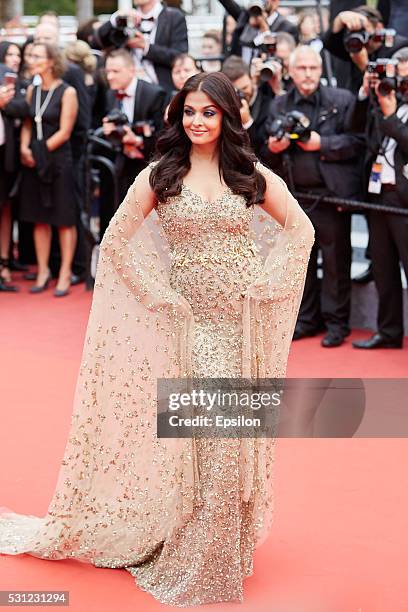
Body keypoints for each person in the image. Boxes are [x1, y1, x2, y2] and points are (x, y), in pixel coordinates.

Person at [0, 72, 314, 606]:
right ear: (177, 116)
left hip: (240, 324)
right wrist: (160, 297)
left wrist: (265, 286)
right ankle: (199, 556)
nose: (197, 121)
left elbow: (300, 230)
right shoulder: (159, 176)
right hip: (189, 326)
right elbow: (117, 244)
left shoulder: (250, 175)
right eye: (189, 111)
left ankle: (221, 549)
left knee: (233, 438)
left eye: (208, 112)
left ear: (227, 118)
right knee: (207, 439)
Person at [260, 46, 364, 348]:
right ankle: (305, 320)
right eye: (302, 68)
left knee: (335, 264)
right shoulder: (279, 104)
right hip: (294, 199)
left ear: (321, 70)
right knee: (299, 264)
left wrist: (322, 143)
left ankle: (336, 324)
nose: (308, 74)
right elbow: (266, 153)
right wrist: (274, 148)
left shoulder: (341, 100)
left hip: (331, 197)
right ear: (290, 72)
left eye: (313, 68)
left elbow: (357, 143)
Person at [351, 48, 408, 349]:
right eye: (398, 78)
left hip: (405, 201)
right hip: (377, 197)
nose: (401, 85)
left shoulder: (394, 109)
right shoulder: (383, 100)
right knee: (384, 270)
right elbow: (356, 129)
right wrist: (366, 94)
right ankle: (388, 332)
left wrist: (391, 116)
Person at [18, 42, 78, 297]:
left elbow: (65, 131)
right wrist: (24, 149)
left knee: (64, 218)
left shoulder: (68, 92)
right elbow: (28, 124)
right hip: (35, 161)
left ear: (52, 61)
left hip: (58, 161)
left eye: (37, 56)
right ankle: (43, 270)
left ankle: (65, 272)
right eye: (31, 56)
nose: (31, 59)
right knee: (39, 217)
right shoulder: (32, 91)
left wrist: (41, 153)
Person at [93, 0, 188, 94]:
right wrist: (115, 19)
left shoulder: (174, 16)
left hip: (160, 89)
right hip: (127, 87)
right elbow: (98, 42)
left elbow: (180, 57)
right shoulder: (125, 17)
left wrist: (145, 47)